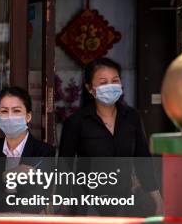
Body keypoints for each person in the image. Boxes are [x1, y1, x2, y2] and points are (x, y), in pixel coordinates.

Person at [58, 57, 162, 215]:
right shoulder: (76, 122)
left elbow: (143, 160)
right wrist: (62, 203)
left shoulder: (131, 117)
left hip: (126, 203)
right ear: (90, 88)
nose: (110, 86)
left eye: (115, 80)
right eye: (103, 83)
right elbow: (65, 166)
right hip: (88, 206)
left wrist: (158, 200)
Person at [0, 86, 55, 212]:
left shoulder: (43, 152)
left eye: (16, 111)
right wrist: (7, 175)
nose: (10, 116)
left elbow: (36, 202)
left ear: (28, 117)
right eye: (4, 111)